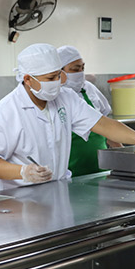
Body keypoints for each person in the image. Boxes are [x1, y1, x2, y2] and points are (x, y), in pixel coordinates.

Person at [0, 43, 135, 192]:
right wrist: (23, 171)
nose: (57, 82)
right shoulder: (4, 112)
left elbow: (103, 124)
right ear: (28, 79)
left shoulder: (66, 97)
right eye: (50, 78)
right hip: (17, 199)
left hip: (57, 191)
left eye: (58, 75)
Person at [57, 45, 122, 177]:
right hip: (71, 175)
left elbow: (106, 126)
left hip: (102, 171)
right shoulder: (54, 97)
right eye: (75, 69)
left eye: (82, 68)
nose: (80, 72)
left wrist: (124, 154)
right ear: (60, 72)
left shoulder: (89, 89)